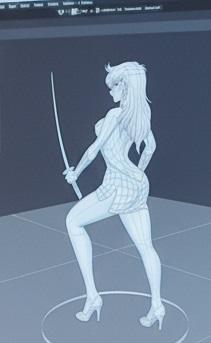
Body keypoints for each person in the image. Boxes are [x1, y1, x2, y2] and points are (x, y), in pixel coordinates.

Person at [63, 61, 164, 329]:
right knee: (146, 247)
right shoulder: (139, 116)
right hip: (137, 186)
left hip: (116, 186)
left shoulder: (116, 115)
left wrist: (75, 173)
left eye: (114, 86)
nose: (110, 91)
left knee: (73, 222)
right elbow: (151, 147)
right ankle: (157, 305)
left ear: (125, 87)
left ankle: (92, 297)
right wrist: (137, 174)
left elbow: (94, 149)